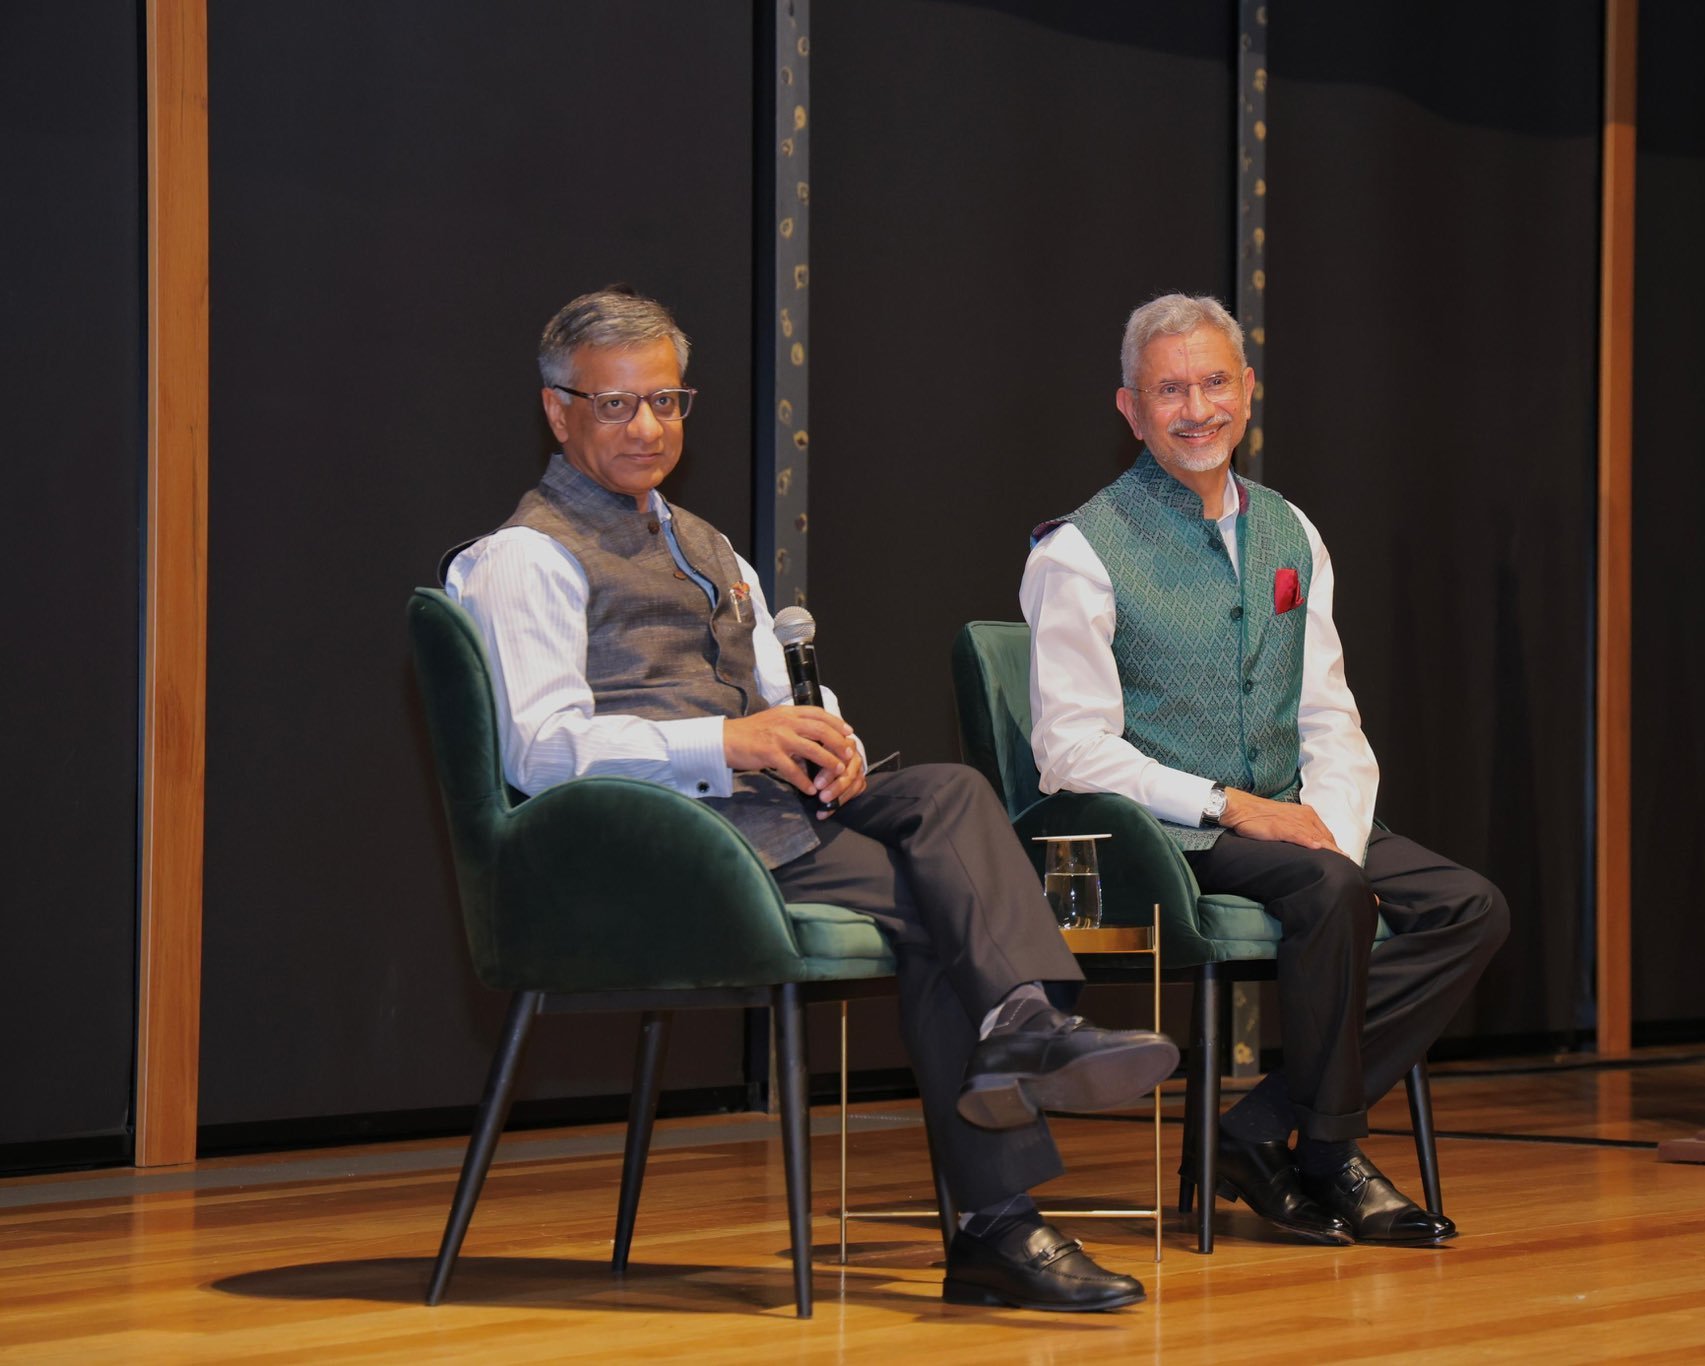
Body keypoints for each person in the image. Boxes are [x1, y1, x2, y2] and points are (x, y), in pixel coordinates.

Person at [446, 288, 1179, 1312]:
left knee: (948, 795)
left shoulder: (706, 548)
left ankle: (1023, 1029)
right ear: (557, 410)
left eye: (666, 400)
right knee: (942, 902)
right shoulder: (523, 557)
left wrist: (821, 732)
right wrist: (727, 740)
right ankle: (998, 1214)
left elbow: (779, 691)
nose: (648, 427)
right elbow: (539, 750)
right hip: (656, 844)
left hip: (770, 815)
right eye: (615, 406)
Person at [1020, 293, 1508, 1247]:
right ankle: (1329, 1154)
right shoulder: (1079, 550)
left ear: (1248, 391)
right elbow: (1069, 752)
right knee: (1326, 887)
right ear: (1130, 409)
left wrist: (1334, 825)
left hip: (1294, 823)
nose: (1196, 408)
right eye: (1169, 389)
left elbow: (1329, 711)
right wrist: (1233, 806)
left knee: (1471, 907)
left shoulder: (1293, 532)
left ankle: (1252, 1128)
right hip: (1164, 830)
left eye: (1213, 383)